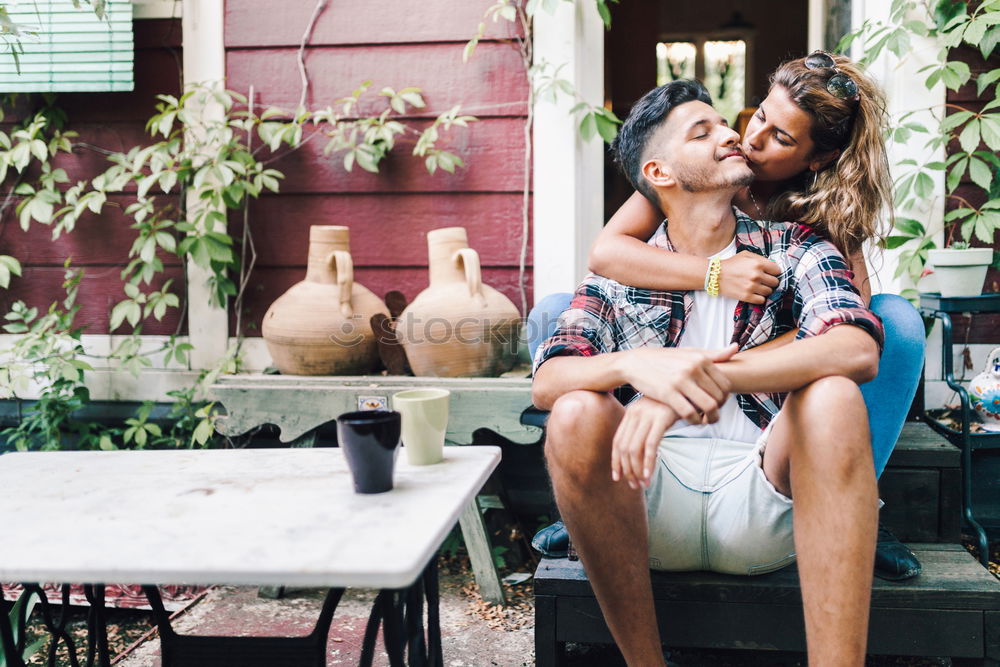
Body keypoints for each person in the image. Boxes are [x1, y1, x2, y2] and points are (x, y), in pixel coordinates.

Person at [530, 51, 925, 581]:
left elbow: (848, 329)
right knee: (557, 310)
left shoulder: (824, 212)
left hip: (774, 371)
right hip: (685, 321)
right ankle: (585, 494)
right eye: (760, 115)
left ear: (817, 159)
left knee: (894, 322)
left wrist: (709, 369)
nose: (754, 139)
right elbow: (606, 254)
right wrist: (716, 275)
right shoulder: (701, 170)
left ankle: (855, 500)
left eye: (782, 138)